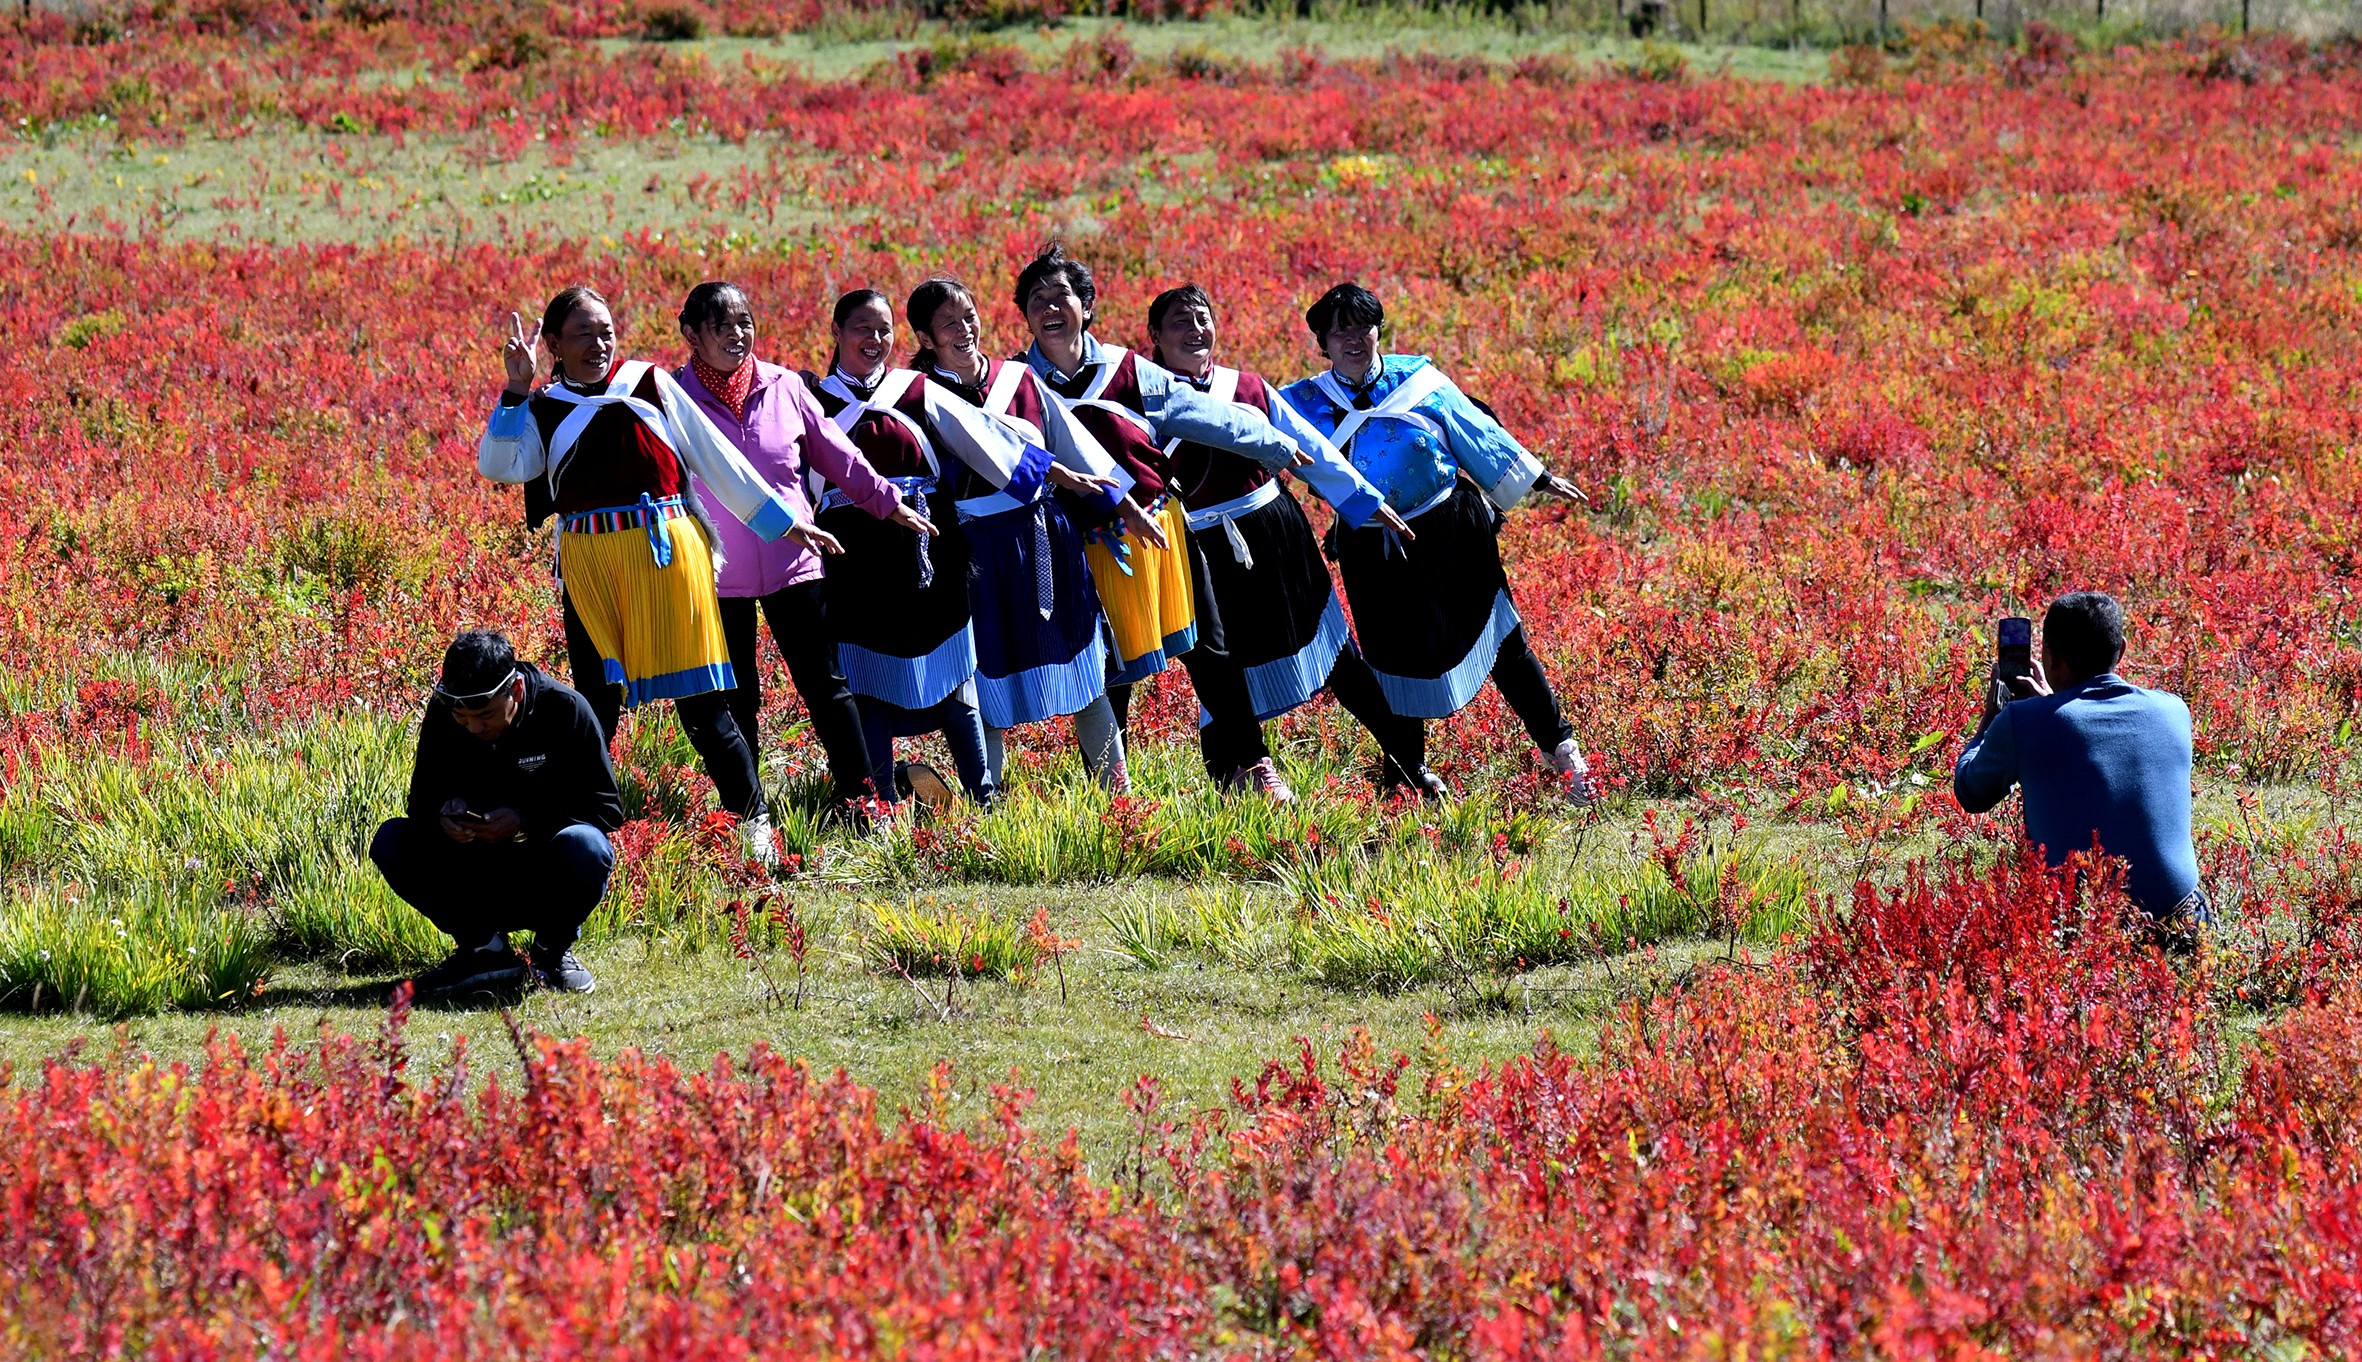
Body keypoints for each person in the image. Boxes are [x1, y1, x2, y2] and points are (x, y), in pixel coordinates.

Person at [481, 284, 824, 866]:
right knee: (595, 700)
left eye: (606, 331)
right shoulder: (542, 405)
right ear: (555, 347)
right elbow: (501, 464)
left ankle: (753, 821)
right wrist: (516, 388)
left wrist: (783, 523)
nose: (599, 343)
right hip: (591, 564)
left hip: (668, 556)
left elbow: (718, 460)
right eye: (583, 334)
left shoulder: (647, 384)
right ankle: (588, 828)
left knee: (701, 701)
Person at [1276, 282, 1594, 801]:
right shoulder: (1300, 404)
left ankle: (1562, 752)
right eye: (1341, 330)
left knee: (1503, 641)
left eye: (1363, 326)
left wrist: (1538, 476)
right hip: (1373, 547)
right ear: (1322, 342)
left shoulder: (1418, 380)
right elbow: (1250, 439)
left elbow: (1476, 431)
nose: (1354, 338)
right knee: (1392, 659)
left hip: (1451, 529)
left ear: (1379, 329)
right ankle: (1408, 779)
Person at [1142, 282, 1426, 800]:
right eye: (1179, 321)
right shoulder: (1144, 401)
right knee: (1221, 665)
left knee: (1335, 651)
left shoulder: (1247, 386)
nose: (1194, 329)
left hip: (1275, 529)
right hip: (1203, 546)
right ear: (1155, 337)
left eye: (1202, 316)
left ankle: (1404, 761)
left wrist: (1364, 500)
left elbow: (1309, 444)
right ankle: (1239, 776)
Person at [1012, 246, 1301, 755]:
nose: (1051, 309)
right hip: (1082, 542)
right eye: (1037, 300)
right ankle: (1112, 789)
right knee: (1110, 665)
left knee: (1210, 647)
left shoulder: (1129, 370)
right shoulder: (1016, 382)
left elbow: (1209, 416)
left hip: (1160, 526)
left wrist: (1275, 445)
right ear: (1025, 316)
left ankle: (1252, 764)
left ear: (1086, 305)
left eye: (1062, 296)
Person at [674, 280, 936, 818]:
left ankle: (864, 804)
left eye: (744, 321)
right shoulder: (674, 399)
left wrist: (886, 501)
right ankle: (750, 815)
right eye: (721, 325)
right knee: (738, 697)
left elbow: (837, 454)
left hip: (797, 563)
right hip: (718, 572)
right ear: (690, 335)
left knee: (827, 688)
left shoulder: (784, 386)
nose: (737, 334)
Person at [904, 275, 1145, 793]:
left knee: (1083, 663)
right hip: (978, 546)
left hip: (1046, 534)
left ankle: (1119, 797)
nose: (965, 328)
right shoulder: (920, 396)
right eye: (949, 323)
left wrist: (1125, 505)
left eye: (969, 315)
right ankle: (987, 797)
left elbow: (1075, 445)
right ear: (925, 338)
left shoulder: (1018, 377)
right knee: (985, 671)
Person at [803, 288, 990, 807]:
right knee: (869, 688)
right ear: (836, 332)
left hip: (929, 553)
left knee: (955, 685)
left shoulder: (917, 390)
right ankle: (881, 804)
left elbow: (986, 441)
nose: (875, 339)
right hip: (853, 559)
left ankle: (983, 799)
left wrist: (1050, 473)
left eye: (884, 329)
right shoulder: (811, 401)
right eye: (863, 327)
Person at [371, 630, 621, 996]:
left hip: (544, 874)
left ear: (516, 692)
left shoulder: (565, 708)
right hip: (472, 873)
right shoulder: (443, 714)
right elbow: (421, 803)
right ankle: (485, 951)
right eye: (462, 717)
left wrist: (525, 821)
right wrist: (445, 814)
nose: (474, 727)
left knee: (586, 845)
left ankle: (550, 954)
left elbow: (606, 808)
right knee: (391, 840)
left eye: (485, 715)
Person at [1954, 592, 2205, 928]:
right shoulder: (2174, 711)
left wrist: (1993, 715)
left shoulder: (2023, 721)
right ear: (2122, 650)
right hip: (2178, 917)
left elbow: (1972, 793)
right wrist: (2055, 704)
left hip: (2083, 924)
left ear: (2050, 657)